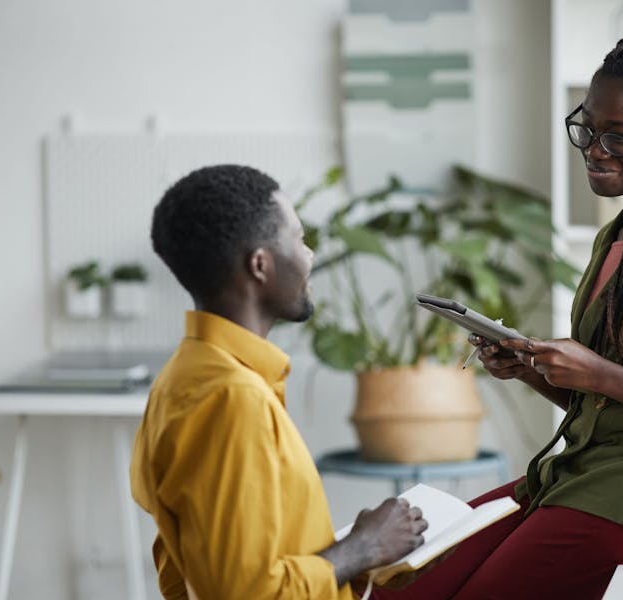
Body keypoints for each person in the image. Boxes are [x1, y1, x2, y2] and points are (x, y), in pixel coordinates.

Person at [370, 33, 623, 600]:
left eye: (618, 136)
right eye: (588, 129)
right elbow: (607, 406)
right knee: (408, 582)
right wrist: (535, 370)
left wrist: (601, 374)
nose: (595, 149)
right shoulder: (617, 236)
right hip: (583, 473)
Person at [129, 164, 428, 600]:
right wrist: (362, 547)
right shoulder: (232, 399)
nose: (309, 257)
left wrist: (369, 561)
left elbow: (187, 567)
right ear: (260, 264)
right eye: (300, 240)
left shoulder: (185, 375)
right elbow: (244, 592)